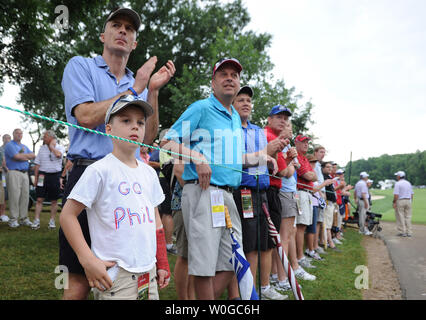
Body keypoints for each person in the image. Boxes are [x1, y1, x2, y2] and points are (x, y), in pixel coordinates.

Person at [60, 7, 175, 300]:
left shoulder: (135, 84)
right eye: (116, 25)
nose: (123, 30)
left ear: (134, 43)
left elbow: (147, 140)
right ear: (103, 34)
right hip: (89, 172)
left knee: (123, 270)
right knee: (78, 278)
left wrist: (151, 92)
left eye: (130, 28)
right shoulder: (80, 66)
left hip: (129, 177)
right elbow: (85, 116)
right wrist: (134, 88)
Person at [59, 95, 170, 300]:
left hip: (149, 272)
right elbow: (67, 215)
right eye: (126, 121)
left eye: (140, 122)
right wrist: (87, 259)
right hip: (116, 277)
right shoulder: (99, 171)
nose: (135, 127)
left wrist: (161, 261)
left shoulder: (149, 173)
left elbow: (156, 221)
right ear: (109, 129)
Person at [161, 58, 250, 300]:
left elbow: (231, 157)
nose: (230, 78)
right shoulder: (201, 108)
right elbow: (167, 141)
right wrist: (196, 157)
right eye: (223, 74)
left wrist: (263, 157)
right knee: (203, 266)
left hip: (228, 195)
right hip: (203, 192)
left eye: (234, 74)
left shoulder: (233, 116)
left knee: (231, 261)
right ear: (213, 83)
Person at [232, 88, 287, 300]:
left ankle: (252, 292)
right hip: (243, 191)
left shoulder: (257, 130)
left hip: (262, 191)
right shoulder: (232, 129)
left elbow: (265, 159)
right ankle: (240, 294)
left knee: (258, 244)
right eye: (241, 100)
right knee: (246, 244)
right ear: (233, 104)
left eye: (248, 100)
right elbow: (238, 158)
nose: (246, 103)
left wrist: (271, 159)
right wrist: (265, 155)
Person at [277, 123, 316, 283]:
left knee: (290, 233)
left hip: (292, 192)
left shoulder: (292, 151)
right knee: (286, 235)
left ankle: (291, 268)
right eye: (288, 128)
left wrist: (297, 168)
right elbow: (292, 172)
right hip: (285, 191)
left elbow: (312, 175)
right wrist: (293, 165)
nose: (291, 132)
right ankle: (284, 274)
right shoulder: (284, 147)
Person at [31, 130, 65, 230]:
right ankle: (36, 220)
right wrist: (36, 178)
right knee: (39, 199)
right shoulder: (41, 149)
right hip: (42, 175)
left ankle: (52, 221)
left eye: (45, 137)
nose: (43, 138)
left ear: (51, 137)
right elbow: (37, 164)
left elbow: (58, 155)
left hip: (54, 176)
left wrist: (51, 147)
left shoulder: (60, 147)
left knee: (54, 200)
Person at [294, 135, 319, 267]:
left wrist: (310, 175)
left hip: (307, 193)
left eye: (307, 142)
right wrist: (310, 175)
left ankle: (300, 255)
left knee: (303, 226)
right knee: (300, 226)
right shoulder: (295, 156)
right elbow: (309, 175)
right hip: (300, 192)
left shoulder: (304, 158)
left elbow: (313, 176)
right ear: (296, 142)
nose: (306, 144)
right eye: (303, 142)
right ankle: (299, 257)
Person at [4, 129, 36, 228]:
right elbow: (16, 156)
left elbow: (33, 155)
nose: (19, 135)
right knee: (14, 196)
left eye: (21, 133)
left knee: (25, 196)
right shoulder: (10, 145)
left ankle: (24, 218)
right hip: (14, 172)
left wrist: (23, 156)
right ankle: (13, 219)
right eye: (17, 133)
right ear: (13, 134)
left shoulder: (24, 146)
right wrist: (27, 157)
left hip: (24, 173)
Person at [305, 154, 334, 259]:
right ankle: (310, 249)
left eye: (315, 162)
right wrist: (324, 184)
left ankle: (313, 248)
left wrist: (322, 197)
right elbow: (312, 189)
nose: (314, 164)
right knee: (311, 228)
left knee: (314, 227)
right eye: (312, 162)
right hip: (311, 203)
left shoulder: (314, 174)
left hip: (316, 203)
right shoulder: (309, 174)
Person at [321, 161, 341, 251]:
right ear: (323, 168)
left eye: (331, 167)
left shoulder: (329, 177)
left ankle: (327, 241)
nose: (330, 169)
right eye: (327, 167)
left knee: (329, 223)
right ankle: (330, 243)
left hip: (332, 203)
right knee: (327, 225)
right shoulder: (324, 177)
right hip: (328, 202)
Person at [393, 171, 414, 237]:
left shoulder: (398, 183)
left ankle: (402, 232)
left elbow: (396, 195)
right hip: (408, 200)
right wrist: (411, 201)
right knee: (408, 217)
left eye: (397, 176)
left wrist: (394, 202)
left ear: (399, 176)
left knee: (400, 216)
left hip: (400, 200)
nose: (396, 177)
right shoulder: (408, 183)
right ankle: (409, 232)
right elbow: (412, 194)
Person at [354, 171, 372, 236]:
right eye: (366, 176)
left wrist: (355, 199)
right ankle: (362, 230)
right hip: (363, 200)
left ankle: (363, 229)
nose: (367, 178)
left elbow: (355, 192)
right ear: (364, 177)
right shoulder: (363, 184)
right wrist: (366, 202)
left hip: (359, 200)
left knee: (362, 215)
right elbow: (363, 194)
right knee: (363, 215)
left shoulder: (358, 183)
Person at [0, 134, 10, 222]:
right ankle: (2, 214)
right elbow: (3, 162)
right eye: (6, 138)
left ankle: (3, 213)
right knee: (2, 193)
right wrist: (6, 168)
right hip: (3, 175)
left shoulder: (11, 149)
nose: (7, 140)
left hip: (9, 174)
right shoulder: (1, 149)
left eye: (9, 138)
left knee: (5, 194)